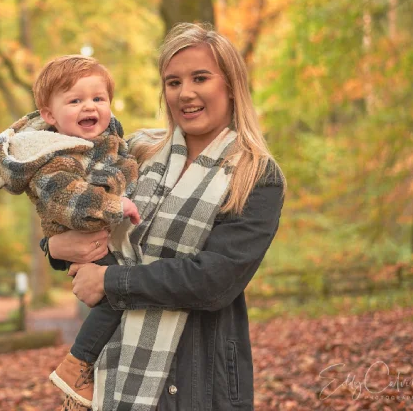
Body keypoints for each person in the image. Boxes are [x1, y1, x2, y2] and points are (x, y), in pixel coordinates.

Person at [44, 23, 285, 411]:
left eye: (200, 78)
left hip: (199, 378)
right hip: (114, 368)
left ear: (230, 85)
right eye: (173, 82)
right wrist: (55, 247)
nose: (185, 93)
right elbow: (77, 210)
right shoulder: (135, 152)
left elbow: (213, 280)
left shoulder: (256, 176)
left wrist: (110, 280)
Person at [0, 55, 141, 408]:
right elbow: (71, 203)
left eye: (98, 99)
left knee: (118, 298)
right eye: (75, 100)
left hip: (93, 241)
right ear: (50, 115)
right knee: (118, 297)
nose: (90, 106)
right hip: (87, 240)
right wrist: (117, 206)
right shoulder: (54, 157)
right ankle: (78, 363)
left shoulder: (106, 141)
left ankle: (87, 365)